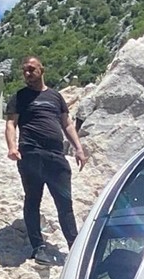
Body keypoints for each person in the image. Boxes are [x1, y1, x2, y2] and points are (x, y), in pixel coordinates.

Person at [5, 56, 86, 264]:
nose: (27, 73)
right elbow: (11, 124)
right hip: (30, 153)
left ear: (42, 70)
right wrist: (12, 147)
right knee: (32, 199)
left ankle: (74, 247)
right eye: (24, 70)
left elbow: (66, 124)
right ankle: (38, 247)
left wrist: (78, 148)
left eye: (31, 69)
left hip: (55, 155)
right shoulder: (19, 97)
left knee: (64, 202)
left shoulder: (55, 97)